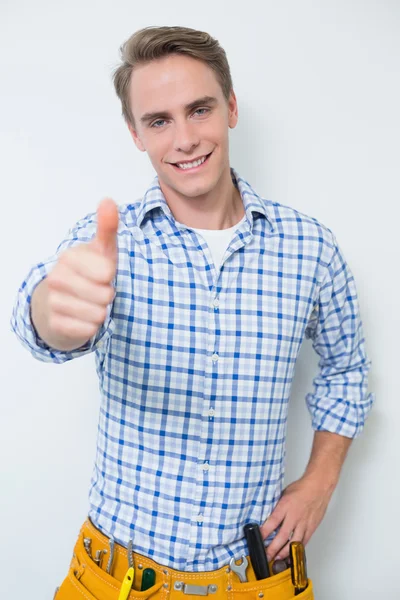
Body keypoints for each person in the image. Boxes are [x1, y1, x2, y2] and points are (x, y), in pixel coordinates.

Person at [10, 25, 374, 600]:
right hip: (113, 582)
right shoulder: (108, 244)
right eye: (159, 121)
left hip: (256, 584)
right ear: (135, 134)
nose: (184, 139)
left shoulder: (310, 249)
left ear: (230, 108)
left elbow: (347, 371)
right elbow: (42, 321)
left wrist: (320, 481)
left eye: (198, 109)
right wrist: (53, 316)